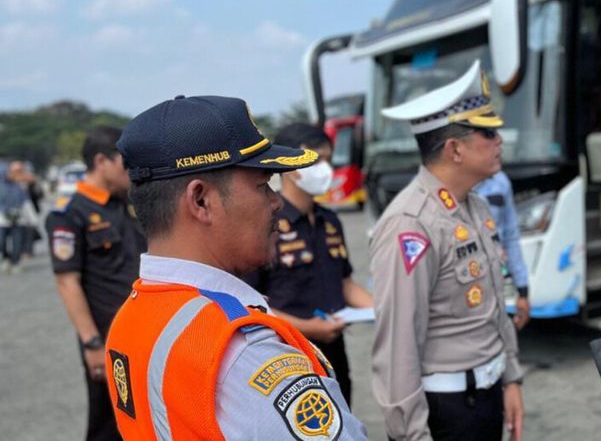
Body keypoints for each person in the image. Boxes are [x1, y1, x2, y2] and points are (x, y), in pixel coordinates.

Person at [104, 95, 366, 441]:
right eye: (262, 185)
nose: (275, 201)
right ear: (201, 201)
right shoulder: (245, 352)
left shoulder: (130, 318)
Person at [371, 60, 525, 441]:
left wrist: (511, 377)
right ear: (455, 149)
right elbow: (398, 343)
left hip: (486, 395)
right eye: (487, 133)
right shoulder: (411, 223)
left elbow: (493, 306)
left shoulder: (476, 207)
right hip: (448, 412)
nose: (499, 140)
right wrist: (411, 434)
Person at [245, 122, 374, 405]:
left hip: (334, 353)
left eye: (328, 160)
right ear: (290, 167)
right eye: (317, 160)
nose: (325, 169)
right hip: (287, 357)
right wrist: (307, 327)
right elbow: (251, 305)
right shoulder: (267, 224)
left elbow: (346, 283)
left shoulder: (330, 220)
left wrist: (382, 309)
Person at [45, 127, 147, 441]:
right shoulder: (70, 213)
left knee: (145, 415)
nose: (129, 172)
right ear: (101, 161)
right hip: (108, 337)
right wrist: (91, 343)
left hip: (143, 329)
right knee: (110, 421)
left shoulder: (127, 204)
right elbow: (67, 281)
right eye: (124, 164)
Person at [474, 170, 530, 329]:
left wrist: (523, 291)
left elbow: (511, 237)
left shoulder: (500, 181)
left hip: (494, 283)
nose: (498, 146)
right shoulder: (443, 184)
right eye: (490, 142)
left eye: (499, 143)